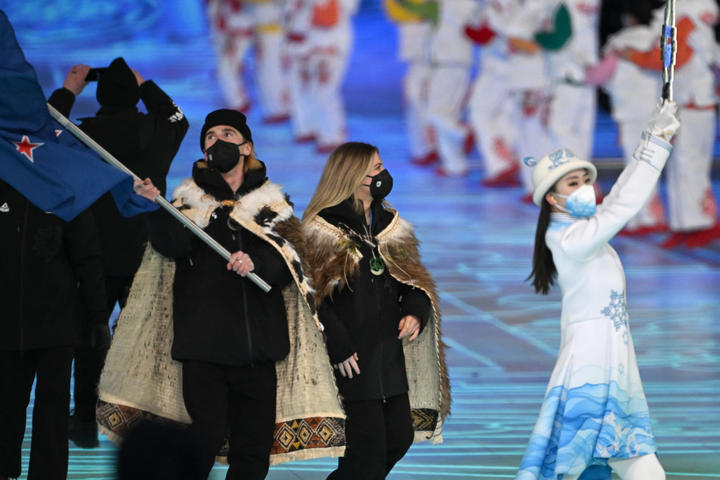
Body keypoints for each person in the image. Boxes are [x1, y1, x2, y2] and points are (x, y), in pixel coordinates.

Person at [140, 108, 320, 479]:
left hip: (259, 352)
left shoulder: (274, 202)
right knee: (201, 445)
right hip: (205, 350)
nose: (217, 142)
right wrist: (154, 208)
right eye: (209, 137)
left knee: (253, 455)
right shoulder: (188, 200)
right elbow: (171, 246)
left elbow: (293, 261)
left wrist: (258, 262)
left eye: (227, 134)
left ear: (246, 146)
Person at [516, 100, 680, 480]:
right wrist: (656, 144)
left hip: (614, 357)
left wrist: (653, 138)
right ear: (553, 199)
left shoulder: (583, 232)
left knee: (624, 462)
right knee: (574, 461)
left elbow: (620, 192)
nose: (587, 188)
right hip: (592, 363)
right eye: (573, 183)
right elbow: (623, 205)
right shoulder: (572, 238)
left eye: (587, 180)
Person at [47, 57, 188, 448]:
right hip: (145, 250)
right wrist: (147, 86)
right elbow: (179, 118)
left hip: (91, 251)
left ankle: (85, 421)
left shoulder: (81, 134)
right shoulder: (158, 131)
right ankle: (146, 421)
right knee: (147, 338)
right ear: (135, 95)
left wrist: (68, 91)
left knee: (92, 335)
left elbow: (42, 131)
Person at [302, 142, 451, 480]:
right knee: (366, 453)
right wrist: (337, 344)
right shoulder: (321, 229)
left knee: (397, 438)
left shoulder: (389, 224)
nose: (382, 175)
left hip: (388, 352)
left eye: (381, 166)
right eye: (375, 169)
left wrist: (415, 312)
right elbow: (310, 294)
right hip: (351, 356)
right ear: (352, 176)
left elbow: (414, 280)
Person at [0, 181, 107, 480]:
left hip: (56, 324)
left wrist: (97, 315)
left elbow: (88, 257)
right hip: (6, 325)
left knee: (52, 412)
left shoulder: (64, 191)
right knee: (5, 407)